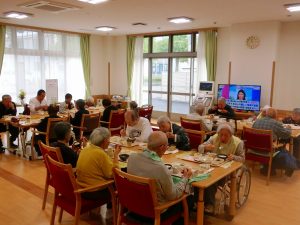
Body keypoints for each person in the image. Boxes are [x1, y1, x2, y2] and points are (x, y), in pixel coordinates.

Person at [127, 131, 193, 222]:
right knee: (189, 198)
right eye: (167, 145)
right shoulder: (160, 168)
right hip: (154, 213)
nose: (167, 147)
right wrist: (186, 177)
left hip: (133, 206)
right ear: (162, 147)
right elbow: (173, 196)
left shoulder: (132, 158)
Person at [198, 123, 245, 213]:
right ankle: (198, 201)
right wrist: (206, 147)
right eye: (221, 135)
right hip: (212, 166)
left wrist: (234, 157)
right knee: (199, 177)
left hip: (227, 170)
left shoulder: (238, 142)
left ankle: (210, 204)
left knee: (212, 180)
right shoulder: (214, 138)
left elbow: (242, 159)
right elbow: (199, 147)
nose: (222, 138)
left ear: (231, 135)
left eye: (226, 136)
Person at [76, 127, 121, 200]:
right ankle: (115, 210)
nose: (109, 142)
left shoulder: (85, 148)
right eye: (108, 139)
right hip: (93, 191)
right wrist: (116, 155)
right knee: (122, 183)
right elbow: (113, 174)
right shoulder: (100, 153)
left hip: (81, 186)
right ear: (104, 141)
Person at [253, 107, 297, 176]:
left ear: (266, 114)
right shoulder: (275, 123)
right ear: (275, 116)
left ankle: (266, 167)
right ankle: (280, 167)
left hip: (254, 149)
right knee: (283, 149)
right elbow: (286, 135)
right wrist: (288, 128)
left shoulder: (257, 121)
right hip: (268, 151)